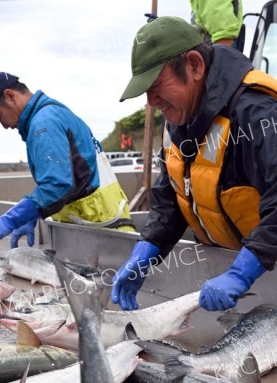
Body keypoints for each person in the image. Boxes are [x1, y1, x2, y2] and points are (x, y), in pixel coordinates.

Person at [111, 16, 277, 312]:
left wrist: (241, 274)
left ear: (195, 66)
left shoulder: (257, 113)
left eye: (157, 85)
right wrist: (146, 250)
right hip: (232, 263)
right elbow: (170, 199)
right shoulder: (177, 120)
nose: (151, 101)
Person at [0, 73, 135, 252]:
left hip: (103, 235)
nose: (3, 125)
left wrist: (11, 219)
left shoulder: (44, 123)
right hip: (100, 227)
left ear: (10, 96)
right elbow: (73, 176)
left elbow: (57, 185)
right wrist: (33, 214)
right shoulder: (52, 113)